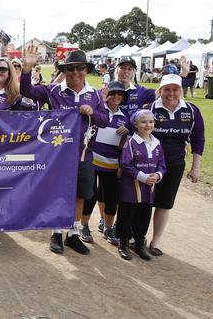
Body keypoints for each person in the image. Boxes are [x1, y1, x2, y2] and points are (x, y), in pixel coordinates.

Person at [20, 49, 108, 255]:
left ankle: (73, 233)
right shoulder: (53, 90)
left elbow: (104, 121)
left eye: (79, 68)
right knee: (57, 193)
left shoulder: (94, 94)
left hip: (83, 153)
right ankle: (56, 232)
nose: (75, 72)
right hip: (57, 155)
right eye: (70, 68)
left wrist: (92, 112)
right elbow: (27, 91)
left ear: (86, 70)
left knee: (80, 194)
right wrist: (27, 68)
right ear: (64, 70)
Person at [147, 68, 205, 256]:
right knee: (142, 202)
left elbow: (198, 140)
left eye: (175, 89)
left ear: (180, 90)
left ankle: (155, 242)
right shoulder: (149, 109)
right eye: (167, 89)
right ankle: (136, 237)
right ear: (160, 90)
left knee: (164, 204)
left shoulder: (192, 111)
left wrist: (195, 168)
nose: (171, 94)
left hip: (174, 164)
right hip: (148, 163)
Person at [80, 81, 131, 246]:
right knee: (90, 195)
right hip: (93, 159)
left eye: (120, 94)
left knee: (111, 197)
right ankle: (84, 225)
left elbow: (126, 144)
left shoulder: (125, 118)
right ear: (107, 96)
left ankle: (109, 228)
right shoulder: (98, 111)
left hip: (112, 164)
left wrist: (126, 133)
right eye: (113, 93)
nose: (116, 96)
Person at [116, 110, 166, 261]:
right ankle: (123, 243)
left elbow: (162, 164)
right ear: (135, 124)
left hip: (148, 189)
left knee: (144, 215)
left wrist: (158, 175)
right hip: (131, 188)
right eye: (143, 122)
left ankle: (139, 243)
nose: (148, 124)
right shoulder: (130, 142)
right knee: (127, 214)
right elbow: (125, 164)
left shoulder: (157, 143)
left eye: (151, 121)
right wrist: (142, 177)